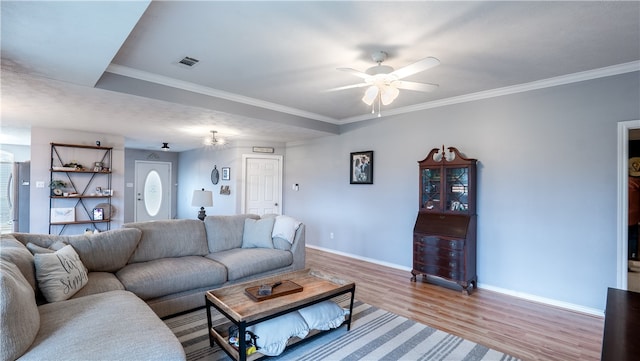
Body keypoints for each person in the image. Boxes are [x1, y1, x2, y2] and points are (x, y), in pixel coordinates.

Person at [629, 157, 640, 259]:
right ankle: (632, 256)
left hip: (622, 217)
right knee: (633, 237)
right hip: (635, 218)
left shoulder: (623, 183)